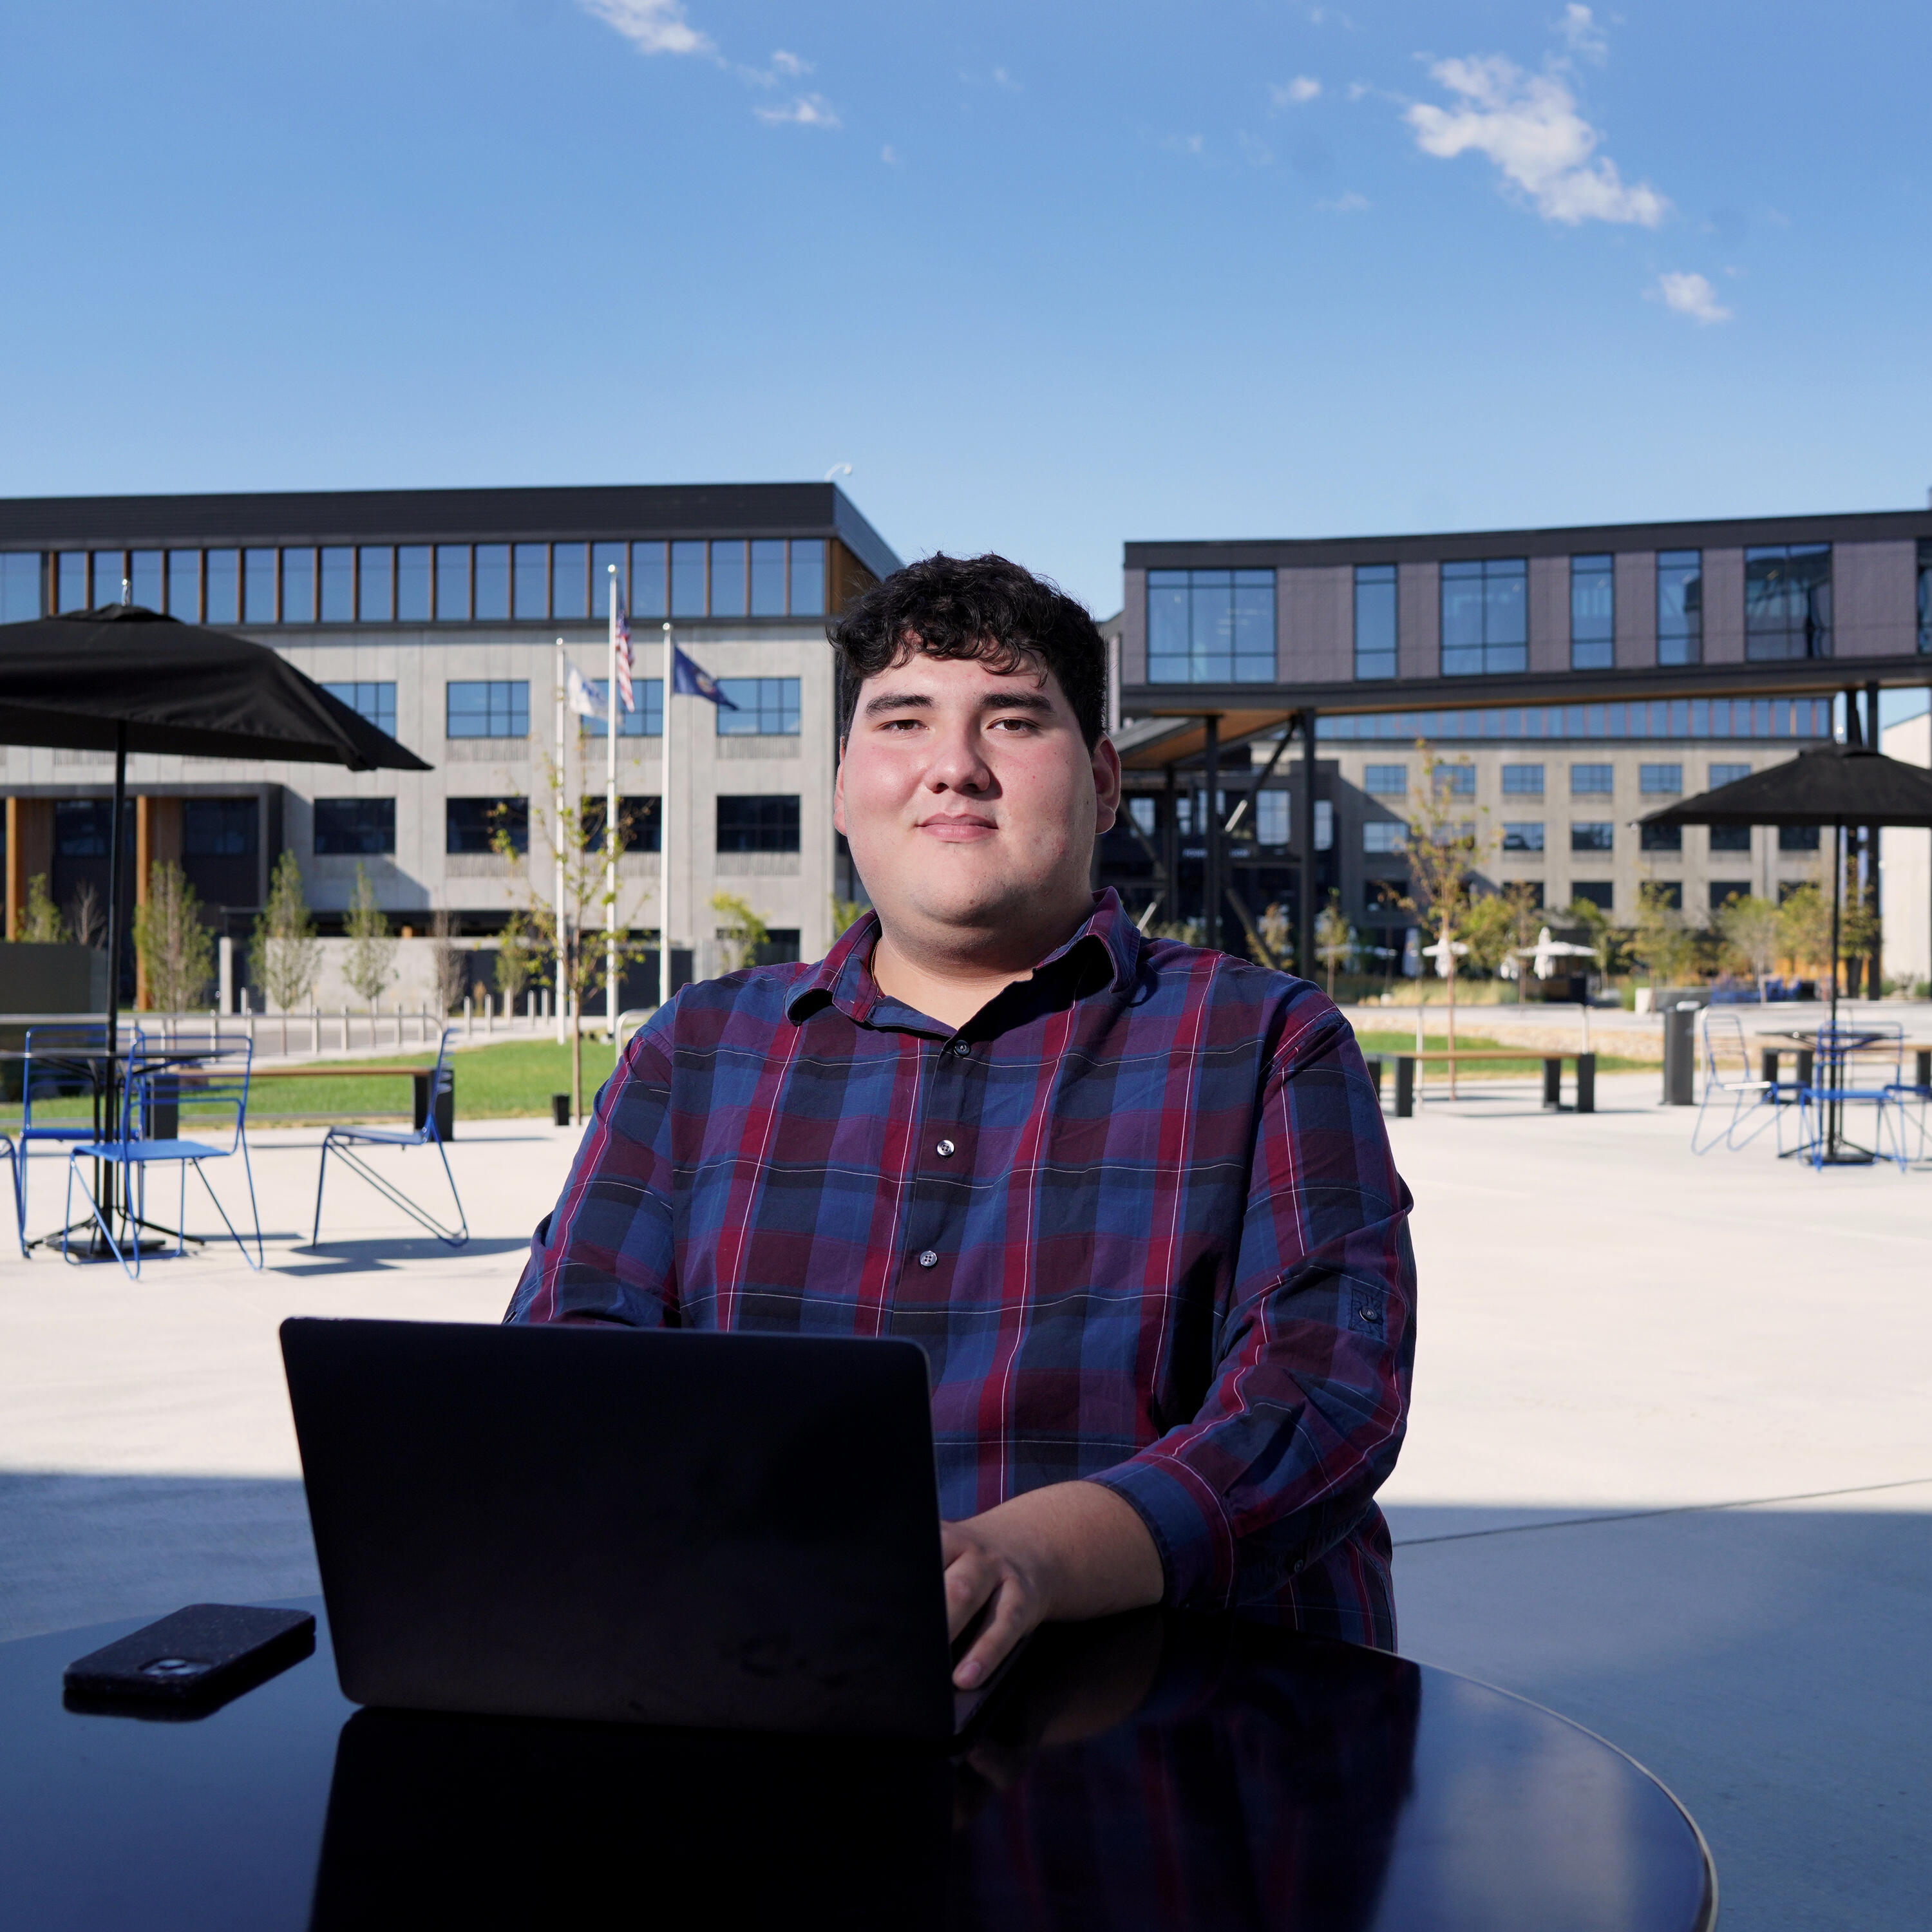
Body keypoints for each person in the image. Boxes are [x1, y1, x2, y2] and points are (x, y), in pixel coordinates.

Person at [507, 553, 1415, 1689]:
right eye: (903, 720)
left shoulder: (1268, 1042)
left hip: (1199, 1743)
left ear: (1103, 779)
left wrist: (1032, 1556)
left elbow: (1320, 1397)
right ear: (842, 786)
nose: (954, 768)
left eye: (1013, 721)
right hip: (775, 1700)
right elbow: (563, 1376)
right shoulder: (694, 1052)